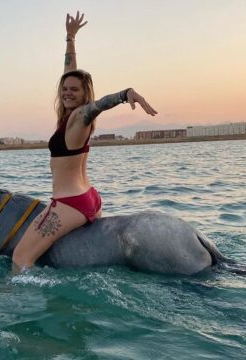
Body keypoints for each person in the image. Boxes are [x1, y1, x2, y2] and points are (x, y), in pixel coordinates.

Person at [12, 12, 158, 271]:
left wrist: (125, 95)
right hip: (89, 198)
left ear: (84, 95)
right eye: (65, 89)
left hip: (70, 204)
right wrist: (71, 37)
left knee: (20, 259)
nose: (68, 92)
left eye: (74, 90)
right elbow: (71, 71)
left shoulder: (81, 115)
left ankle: (28, 304)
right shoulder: (69, 115)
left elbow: (97, 106)